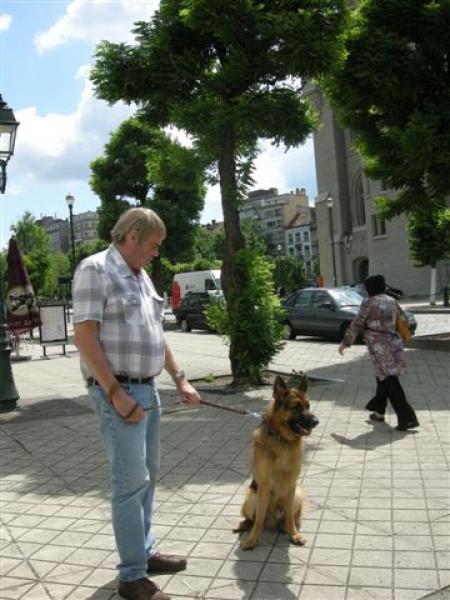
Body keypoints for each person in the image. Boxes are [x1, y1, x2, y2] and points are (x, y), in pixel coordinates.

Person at [73, 207, 201, 600]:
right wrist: (114, 392)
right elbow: (84, 336)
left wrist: (179, 378)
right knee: (129, 484)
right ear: (132, 235)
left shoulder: (141, 276)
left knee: (148, 476)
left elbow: (156, 335)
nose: (156, 254)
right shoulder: (95, 270)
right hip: (120, 392)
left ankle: (143, 553)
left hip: (148, 389)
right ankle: (131, 576)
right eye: (153, 245)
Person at [338, 274, 419, 432]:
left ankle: (407, 418)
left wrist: (345, 343)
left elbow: (356, 324)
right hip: (395, 343)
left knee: (390, 382)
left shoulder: (368, 303)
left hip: (378, 347)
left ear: (369, 289)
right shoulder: (391, 300)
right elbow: (405, 320)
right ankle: (378, 412)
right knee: (383, 378)